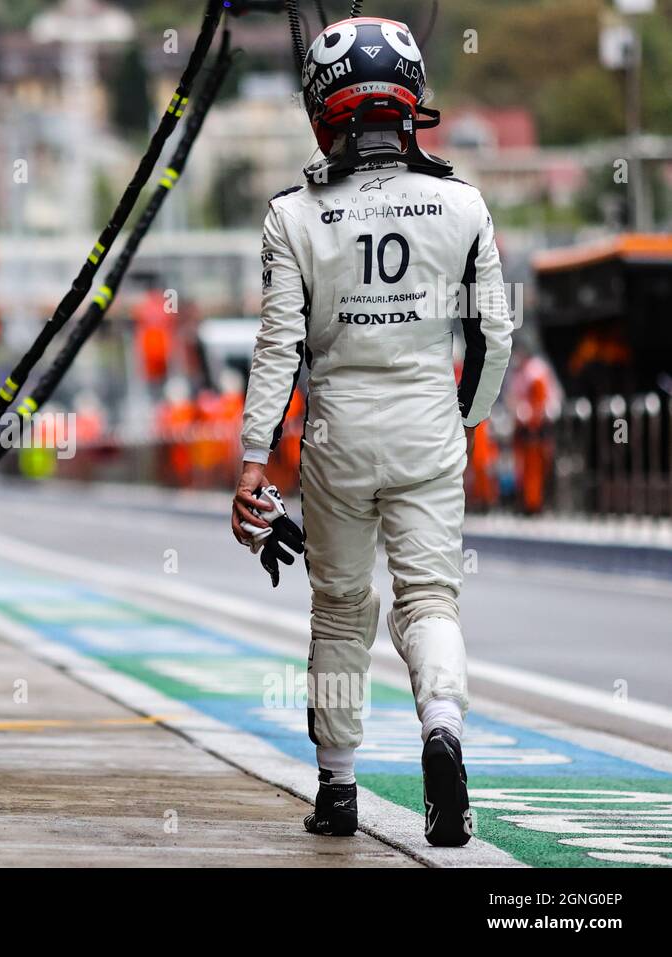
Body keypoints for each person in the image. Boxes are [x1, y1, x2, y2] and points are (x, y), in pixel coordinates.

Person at [230, 16, 514, 847]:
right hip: (430, 426)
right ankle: (442, 730)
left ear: (325, 112)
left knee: (341, 611)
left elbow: (277, 349)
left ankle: (340, 789)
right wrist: (462, 419)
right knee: (430, 599)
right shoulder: (463, 204)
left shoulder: (294, 215)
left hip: (337, 437)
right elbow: (494, 338)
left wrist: (253, 463)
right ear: (413, 101)